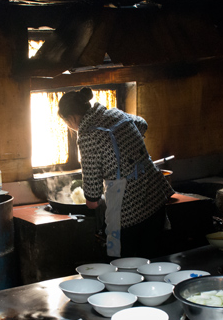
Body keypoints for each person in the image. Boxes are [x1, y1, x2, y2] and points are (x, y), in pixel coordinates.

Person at [58, 87, 174, 258]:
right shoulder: (114, 113)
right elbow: (143, 124)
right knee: (155, 260)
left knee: (127, 268)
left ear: (71, 118)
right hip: (155, 197)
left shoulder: (88, 136)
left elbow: (92, 198)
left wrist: (95, 199)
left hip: (129, 212)